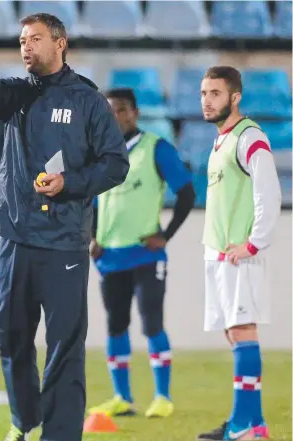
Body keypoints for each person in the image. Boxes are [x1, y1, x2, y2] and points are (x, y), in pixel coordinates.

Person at [0, 14, 129, 441]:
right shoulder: (18, 94)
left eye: (35, 39)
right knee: (10, 334)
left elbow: (115, 164)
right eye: (21, 40)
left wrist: (69, 183)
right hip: (17, 238)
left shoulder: (89, 101)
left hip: (65, 243)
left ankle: (61, 434)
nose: (26, 47)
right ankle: (24, 417)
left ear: (60, 43)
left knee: (65, 348)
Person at [88, 88, 195, 418]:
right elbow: (91, 201)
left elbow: (187, 193)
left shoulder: (155, 148)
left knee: (152, 324)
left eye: (121, 110)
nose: (115, 117)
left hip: (146, 256)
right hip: (110, 257)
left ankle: (162, 397)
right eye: (109, 111)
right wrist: (92, 237)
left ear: (134, 113)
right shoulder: (99, 154)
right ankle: (122, 397)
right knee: (116, 326)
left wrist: (165, 235)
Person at [197, 66, 281, 441]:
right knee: (235, 334)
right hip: (220, 253)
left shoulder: (250, 138)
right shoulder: (221, 140)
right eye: (203, 93)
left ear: (235, 97)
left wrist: (252, 244)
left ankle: (244, 425)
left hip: (240, 254)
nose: (206, 100)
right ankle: (251, 423)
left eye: (215, 93)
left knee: (244, 332)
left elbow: (269, 194)